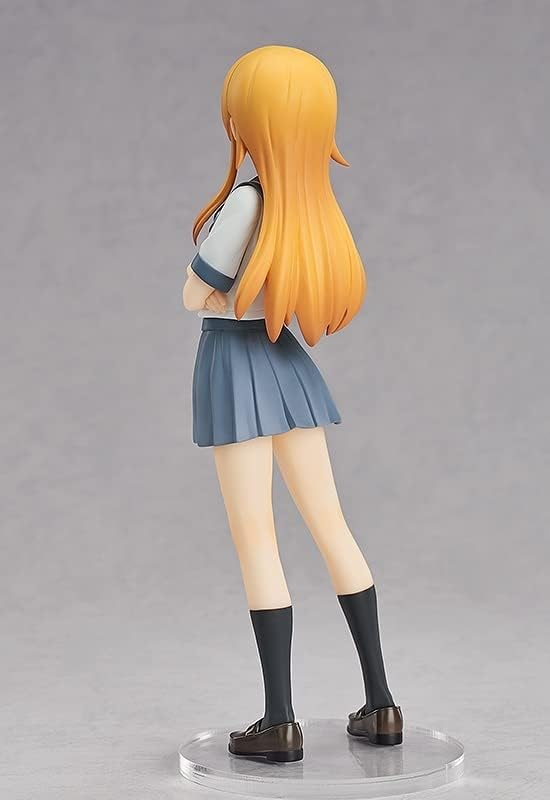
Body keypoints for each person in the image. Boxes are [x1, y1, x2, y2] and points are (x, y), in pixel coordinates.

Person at [182, 45, 402, 763]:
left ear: (250, 121)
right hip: (290, 368)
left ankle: (279, 719)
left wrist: (213, 287)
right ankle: (382, 703)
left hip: (234, 366)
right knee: (333, 527)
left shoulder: (249, 200)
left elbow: (195, 292)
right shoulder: (312, 203)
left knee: (259, 538)